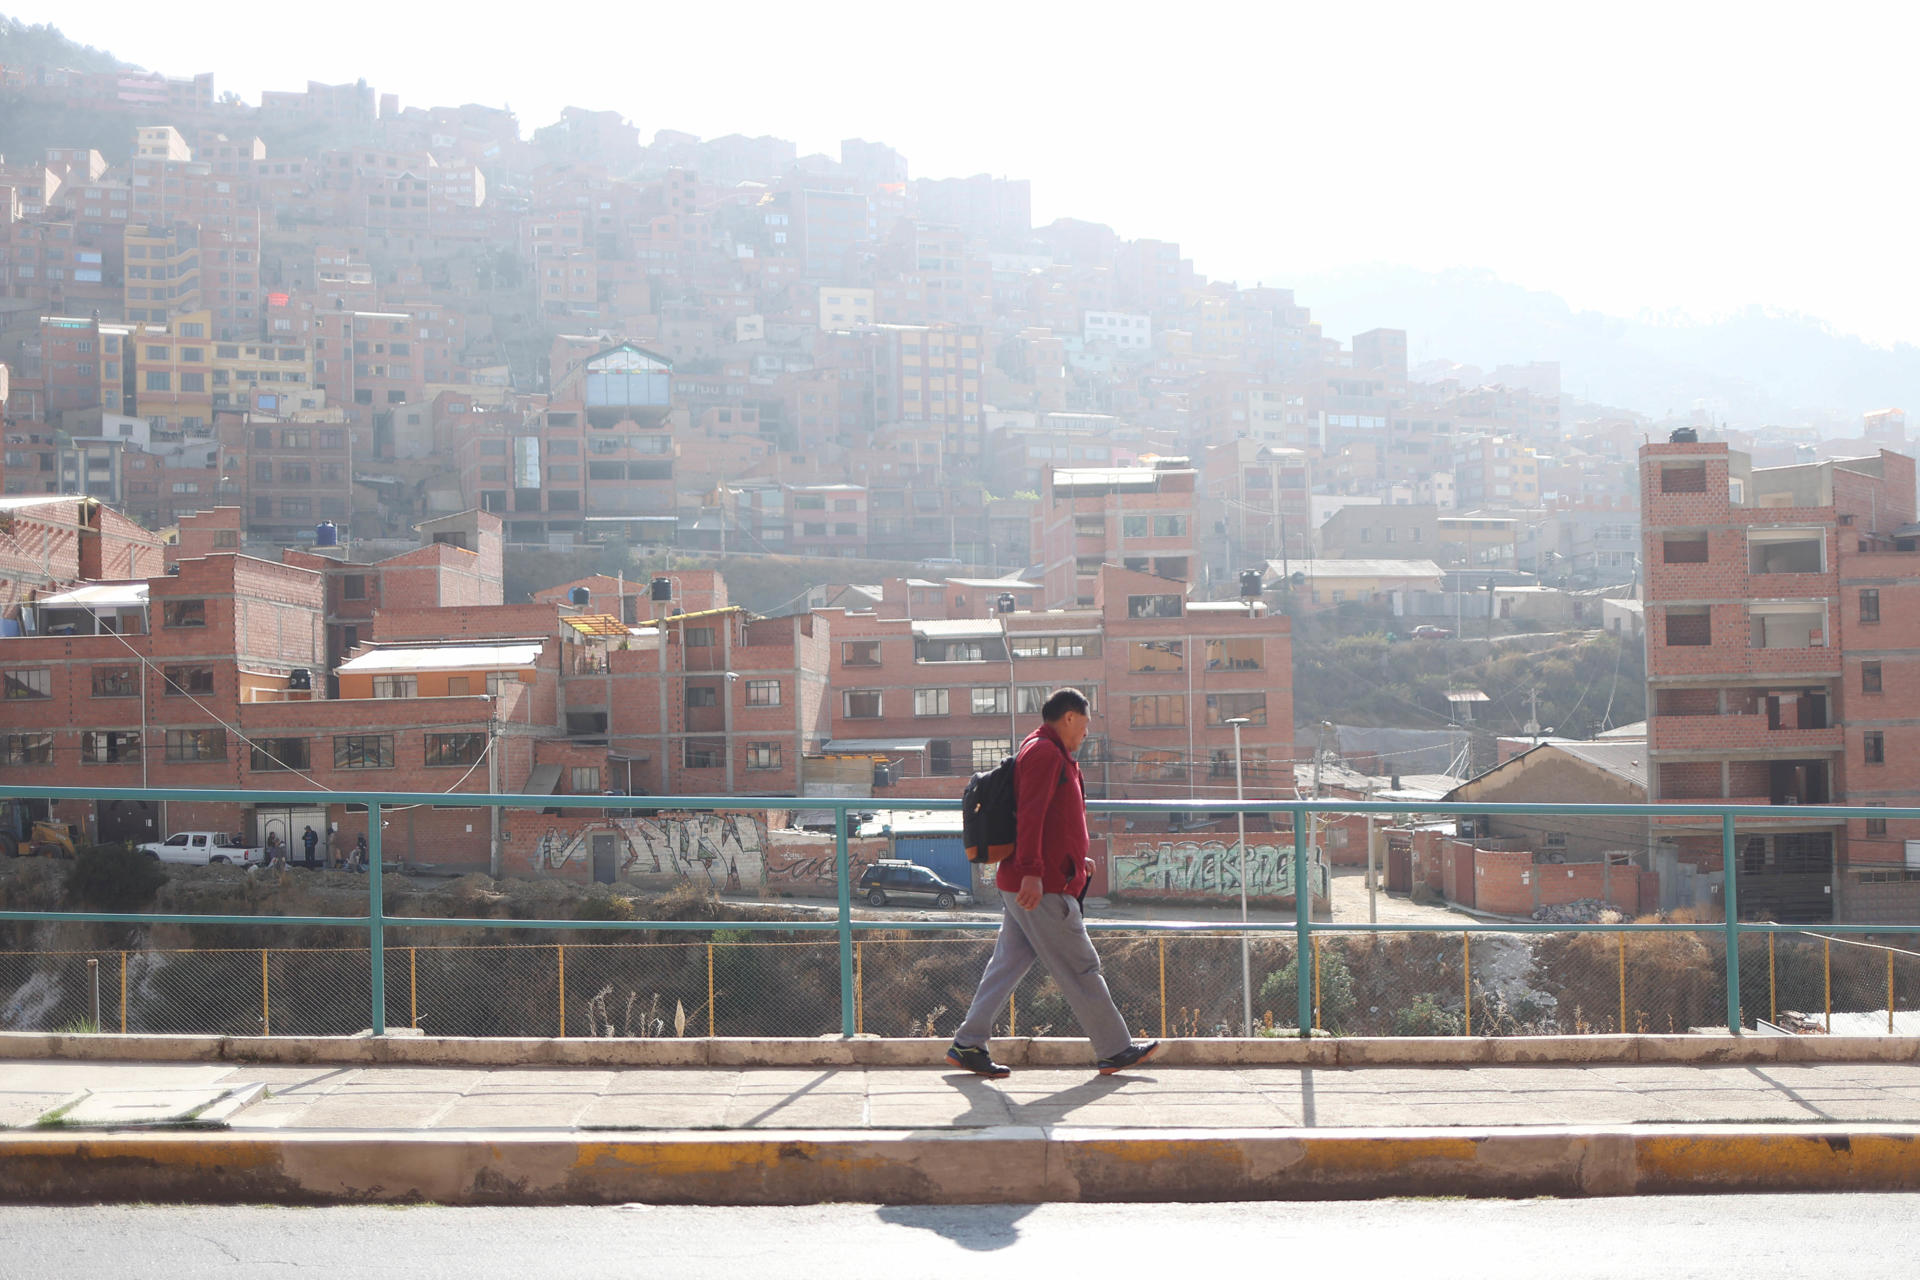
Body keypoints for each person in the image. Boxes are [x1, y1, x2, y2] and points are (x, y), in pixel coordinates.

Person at [947, 687, 1159, 1078]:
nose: (1086, 734)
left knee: (1007, 964)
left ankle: (967, 1044)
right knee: (1080, 965)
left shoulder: (1044, 749)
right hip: (1039, 885)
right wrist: (1032, 871)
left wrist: (1076, 858)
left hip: (1032, 879)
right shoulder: (1045, 753)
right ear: (1070, 718)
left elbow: (1054, 819)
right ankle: (1115, 1049)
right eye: (1086, 725)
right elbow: (1031, 816)